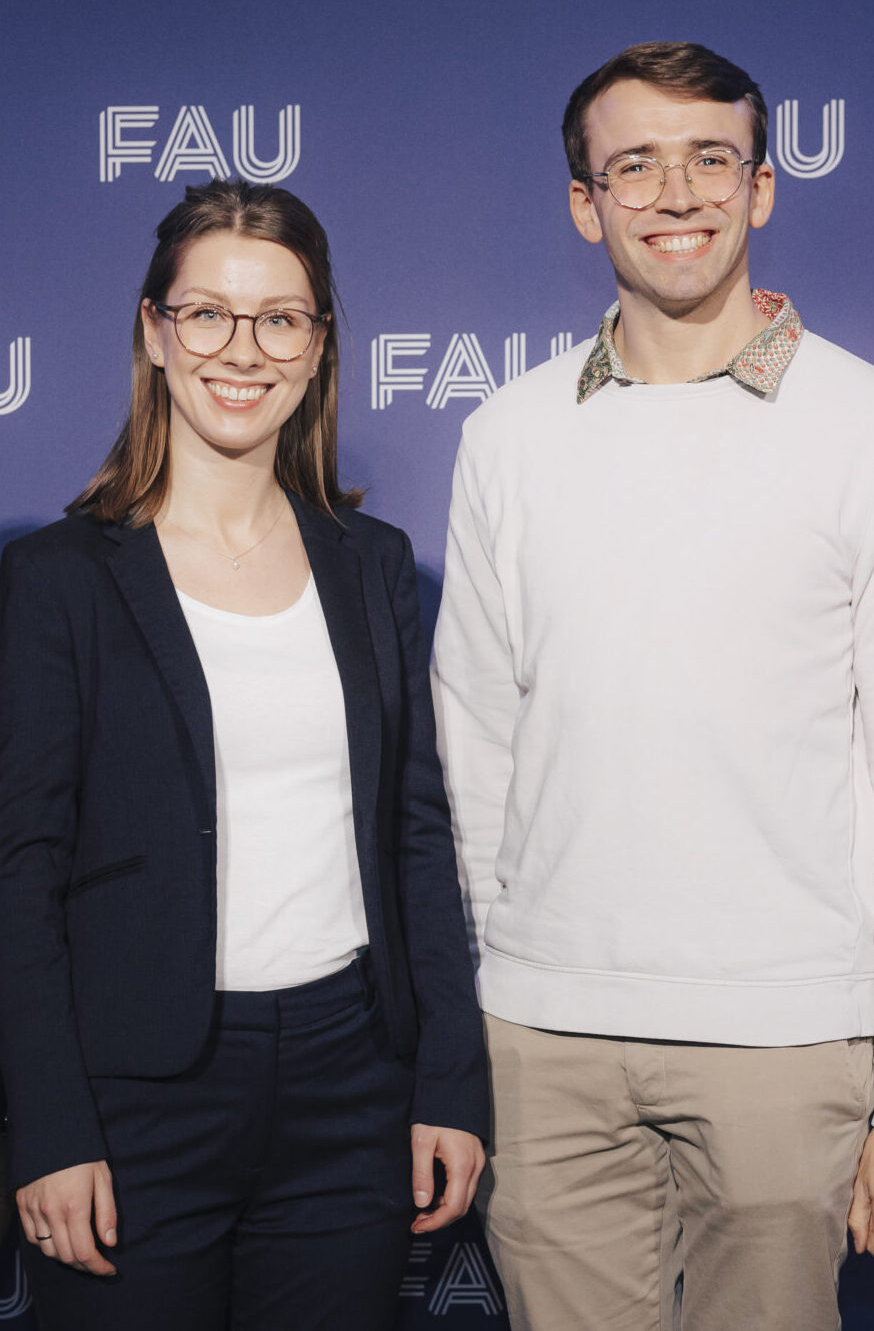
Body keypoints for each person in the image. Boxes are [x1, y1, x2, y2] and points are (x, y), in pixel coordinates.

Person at [432, 41, 874, 1331]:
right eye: (634, 165)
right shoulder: (506, 435)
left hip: (787, 1037)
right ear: (586, 204)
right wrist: (508, 982)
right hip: (543, 1041)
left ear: (761, 186)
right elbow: (476, 747)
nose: (675, 193)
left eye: (709, 159)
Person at [0, 179, 487, 1330]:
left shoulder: (374, 564)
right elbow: (19, 871)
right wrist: (51, 1124)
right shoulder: (58, 578)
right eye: (207, 313)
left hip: (350, 1089)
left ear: (317, 346)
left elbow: (416, 838)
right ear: (155, 331)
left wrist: (450, 1081)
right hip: (133, 1098)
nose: (242, 349)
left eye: (279, 318)